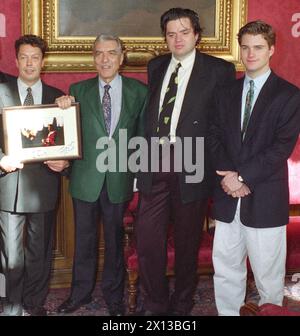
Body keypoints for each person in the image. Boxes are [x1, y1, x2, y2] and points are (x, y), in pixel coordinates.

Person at [135, 7, 235, 316]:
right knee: (148, 239)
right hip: (155, 160)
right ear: (165, 37)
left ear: (197, 35)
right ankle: (155, 303)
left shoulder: (219, 70)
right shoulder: (156, 66)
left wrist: (221, 166)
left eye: (184, 32)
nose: (177, 39)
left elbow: (223, 122)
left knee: (187, 242)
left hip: (193, 163)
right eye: (171, 33)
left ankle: (181, 303)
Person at [208, 20, 300, 316]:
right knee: (225, 270)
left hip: (264, 196)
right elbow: (213, 137)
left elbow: (279, 149)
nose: (250, 54)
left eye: (258, 47)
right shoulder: (225, 93)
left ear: (271, 49)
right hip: (227, 196)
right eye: (245, 47)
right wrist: (230, 178)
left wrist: (242, 176)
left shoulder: (289, 95)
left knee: (269, 278)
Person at [55, 34, 147, 316]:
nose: (104, 59)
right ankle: (79, 295)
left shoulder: (139, 91)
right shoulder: (76, 91)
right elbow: (68, 134)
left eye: (111, 53)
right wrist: (61, 110)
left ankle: (114, 298)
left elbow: (140, 138)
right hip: (85, 180)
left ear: (121, 57)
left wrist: (137, 179)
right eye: (99, 53)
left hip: (119, 181)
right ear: (93, 58)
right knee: (83, 242)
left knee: (116, 243)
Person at [0, 34, 69, 316]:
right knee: (12, 256)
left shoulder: (58, 99)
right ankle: (12, 307)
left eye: (35, 57)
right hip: (8, 186)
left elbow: (68, 143)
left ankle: (34, 304)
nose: (29, 63)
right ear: (16, 60)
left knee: (40, 253)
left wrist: (64, 163)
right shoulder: (0, 92)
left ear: (43, 62)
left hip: (43, 188)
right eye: (24, 57)